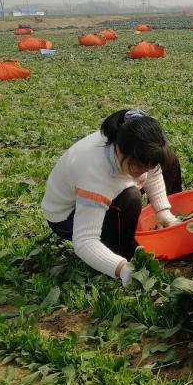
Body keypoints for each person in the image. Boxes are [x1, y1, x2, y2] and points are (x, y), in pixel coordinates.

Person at [42, 109, 183, 287]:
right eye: (139, 168)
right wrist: (122, 268)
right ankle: (121, 249)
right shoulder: (95, 176)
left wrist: (164, 214)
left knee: (169, 160)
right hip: (67, 217)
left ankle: (129, 228)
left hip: (106, 190)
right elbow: (84, 241)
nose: (145, 173)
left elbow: (152, 173)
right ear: (120, 150)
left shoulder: (131, 139)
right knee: (130, 198)